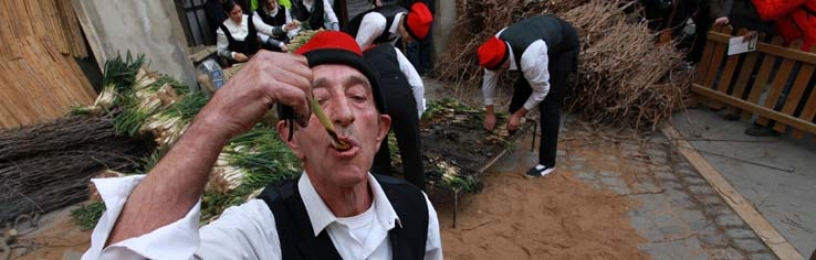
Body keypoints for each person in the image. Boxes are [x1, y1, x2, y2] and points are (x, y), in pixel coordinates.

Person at [81, 31, 442, 259]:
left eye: (359, 96)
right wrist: (215, 120)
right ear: (289, 137)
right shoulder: (258, 234)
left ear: (380, 131)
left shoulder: (415, 207)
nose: (343, 113)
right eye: (319, 99)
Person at [477, 14, 579, 178]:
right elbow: (488, 81)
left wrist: (519, 113)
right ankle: (511, 129)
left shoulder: (530, 59)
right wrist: (489, 112)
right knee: (522, 86)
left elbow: (541, 91)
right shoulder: (494, 47)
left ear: (505, 64)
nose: (495, 73)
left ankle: (547, 163)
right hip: (540, 41)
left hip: (563, 46)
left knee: (549, 103)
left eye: (498, 70)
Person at [744, 0, 815, 136]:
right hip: (803, 42)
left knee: (789, 85)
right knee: (801, 87)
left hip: (808, 44)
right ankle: (786, 120)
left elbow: (769, 11)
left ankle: (771, 121)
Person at [364, 44, 426, 190]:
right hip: (402, 99)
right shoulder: (392, 50)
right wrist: (417, 114)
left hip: (377, 104)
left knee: (379, 153)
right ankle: (418, 195)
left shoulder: (360, 59)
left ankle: (386, 193)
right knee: (412, 153)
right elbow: (417, 84)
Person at [217, 0, 288, 65]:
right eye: (234, 13)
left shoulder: (250, 19)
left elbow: (270, 30)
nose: (239, 15)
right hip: (239, 66)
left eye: (240, 11)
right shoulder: (223, 29)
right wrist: (233, 55)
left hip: (257, 61)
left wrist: (284, 27)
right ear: (227, 14)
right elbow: (221, 51)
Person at [342, 1, 433, 49]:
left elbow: (386, 50)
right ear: (405, 28)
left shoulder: (402, 18)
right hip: (347, 45)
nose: (409, 42)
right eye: (410, 37)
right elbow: (358, 50)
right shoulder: (377, 22)